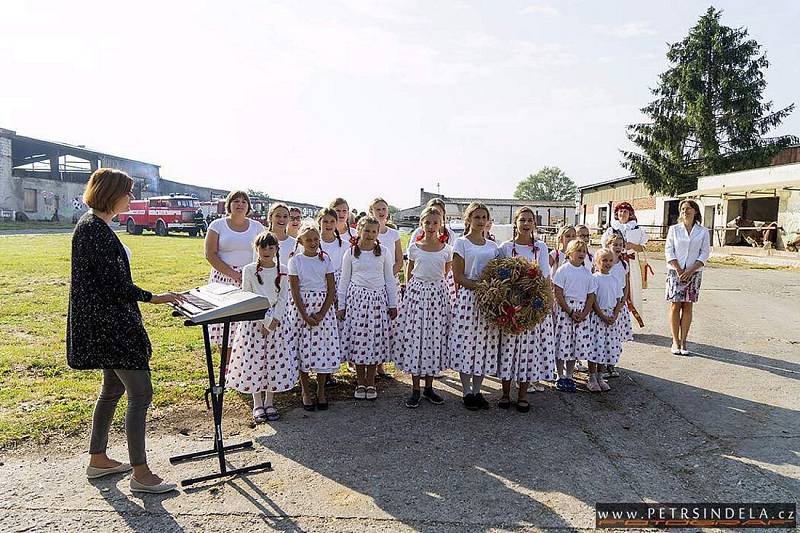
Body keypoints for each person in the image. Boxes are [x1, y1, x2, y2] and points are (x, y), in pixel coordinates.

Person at [68, 168, 184, 494]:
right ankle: (141, 473)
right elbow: (113, 285)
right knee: (141, 392)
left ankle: (98, 457)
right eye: (128, 192)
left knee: (112, 390)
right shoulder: (93, 230)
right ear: (110, 194)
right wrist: (154, 297)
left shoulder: (95, 226)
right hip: (113, 327)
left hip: (108, 324)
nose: (132, 198)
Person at [226, 231, 294, 423]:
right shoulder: (248, 270)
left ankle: (270, 401)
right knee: (254, 362)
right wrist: (263, 320)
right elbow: (247, 296)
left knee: (272, 362)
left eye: (271, 247)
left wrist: (273, 321)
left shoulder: (284, 270)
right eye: (263, 247)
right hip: (253, 323)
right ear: (256, 249)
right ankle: (257, 402)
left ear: (276, 249)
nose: (267, 251)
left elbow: (283, 299)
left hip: (277, 325)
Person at [497, 207, 556, 411]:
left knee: (528, 353)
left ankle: (523, 395)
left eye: (530, 220)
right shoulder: (505, 247)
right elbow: (499, 276)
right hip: (511, 305)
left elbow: (546, 277)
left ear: (534, 224)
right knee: (508, 350)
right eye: (522, 220)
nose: (526, 223)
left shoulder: (540, 248)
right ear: (515, 222)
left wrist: (545, 302)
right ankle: (505, 393)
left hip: (533, 305)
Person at [394, 207, 452, 408]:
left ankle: (429, 387)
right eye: (427, 223)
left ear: (440, 224)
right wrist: (408, 294)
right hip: (417, 295)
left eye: (435, 223)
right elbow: (409, 272)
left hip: (437, 295)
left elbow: (445, 273)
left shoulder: (446, 249)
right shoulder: (415, 247)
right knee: (416, 339)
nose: (431, 226)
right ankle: (415, 388)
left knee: (433, 339)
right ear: (422, 224)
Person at [337, 216, 398, 401]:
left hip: (377, 301)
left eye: (374, 231)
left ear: (378, 233)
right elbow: (344, 281)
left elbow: (389, 278)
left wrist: (392, 303)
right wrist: (342, 305)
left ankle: (371, 382)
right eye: (367, 231)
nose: (370, 234)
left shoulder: (384, 252)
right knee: (358, 342)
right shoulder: (351, 253)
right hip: (357, 302)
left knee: (374, 342)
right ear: (359, 231)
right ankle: (360, 381)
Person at [448, 202, 500, 410]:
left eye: (483, 217)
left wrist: (492, 290)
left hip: (488, 300)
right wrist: (482, 287)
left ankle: (478, 391)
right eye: (476, 217)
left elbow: (496, 273)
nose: (480, 221)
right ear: (469, 219)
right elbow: (458, 277)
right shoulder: (461, 244)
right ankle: (466, 391)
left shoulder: (493, 247)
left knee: (484, 345)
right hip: (469, 298)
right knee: (467, 344)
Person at [287, 221, 341, 410]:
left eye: (315, 239)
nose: (312, 243)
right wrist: (304, 314)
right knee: (302, 349)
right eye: (308, 240)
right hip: (301, 308)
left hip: (322, 309)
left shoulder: (325, 259)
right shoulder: (295, 261)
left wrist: (322, 314)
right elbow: (294, 290)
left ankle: (321, 391)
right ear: (301, 240)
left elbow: (331, 288)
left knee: (322, 350)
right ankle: (305, 391)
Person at [205, 191, 265, 351]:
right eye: (236, 201)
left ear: (248, 206)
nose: (240, 204)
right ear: (229, 205)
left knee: (246, 323)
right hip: (222, 279)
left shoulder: (257, 227)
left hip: (249, 279)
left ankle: (243, 363)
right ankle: (226, 365)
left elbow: (265, 253)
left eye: (244, 202)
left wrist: (249, 276)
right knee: (224, 324)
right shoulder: (217, 225)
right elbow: (210, 254)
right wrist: (234, 275)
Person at [664, 199, 710, 356]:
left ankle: (684, 341)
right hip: (675, 272)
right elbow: (669, 250)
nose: (685, 211)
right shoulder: (674, 229)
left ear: (695, 211)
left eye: (689, 208)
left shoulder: (703, 231)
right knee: (675, 305)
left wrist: (691, 270)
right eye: (683, 209)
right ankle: (675, 341)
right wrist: (678, 269)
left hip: (694, 273)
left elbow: (704, 253)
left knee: (688, 306)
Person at [551, 239, 596, 393]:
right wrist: (569, 311)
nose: (582, 254)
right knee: (562, 344)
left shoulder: (587, 273)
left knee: (573, 346)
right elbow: (558, 292)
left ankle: (569, 375)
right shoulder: (563, 270)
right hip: (566, 311)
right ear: (569, 253)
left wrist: (584, 313)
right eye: (578, 251)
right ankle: (560, 374)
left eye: (584, 251)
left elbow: (591, 295)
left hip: (581, 312)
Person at [368, 197, 403, 379]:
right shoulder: (368, 232)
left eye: (384, 209)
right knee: (371, 324)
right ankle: (368, 363)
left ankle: (381, 365)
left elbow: (399, 260)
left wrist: (388, 276)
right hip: (370, 285)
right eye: (377, 209)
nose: (381, 212)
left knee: (386, 324)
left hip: (389, 283)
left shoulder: (393, 234)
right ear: (371, 211)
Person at [601, 203, 648, 325]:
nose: (622, 214)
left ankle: (627, 323)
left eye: (625, 212)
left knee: (631, 290)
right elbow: (604, 246)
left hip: (631, 264)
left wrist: (632, 246)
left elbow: (643, 247)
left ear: (630, 214)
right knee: (614, 288)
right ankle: (612, 318)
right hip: (615, 263)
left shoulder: (637, 229)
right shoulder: (611, 230)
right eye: (620, 212)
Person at [588, 249, 624, 392]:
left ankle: (600, 375)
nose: (608, 263)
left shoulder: (614, 280)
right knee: (595, 347)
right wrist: (601, 315)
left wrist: (614, 315)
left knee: (605, 348)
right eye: (604, 260)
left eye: (610, 260)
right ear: (597, 262)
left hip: (610, 318)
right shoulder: (594, 278)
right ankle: (591, 377)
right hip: (598, 318)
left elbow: (618, 300)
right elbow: (593, 299)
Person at [605, 233, 633, 379]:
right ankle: (602, 364)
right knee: (604, 336)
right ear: (608, 245)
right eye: (615, 244)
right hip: (607, 304)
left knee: (615, 337)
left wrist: (623, 302)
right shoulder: (603, 263)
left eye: (620, 245)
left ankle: (612, 364)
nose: (618, 247)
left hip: (619, 305)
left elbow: (626, 285)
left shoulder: (624, 265)